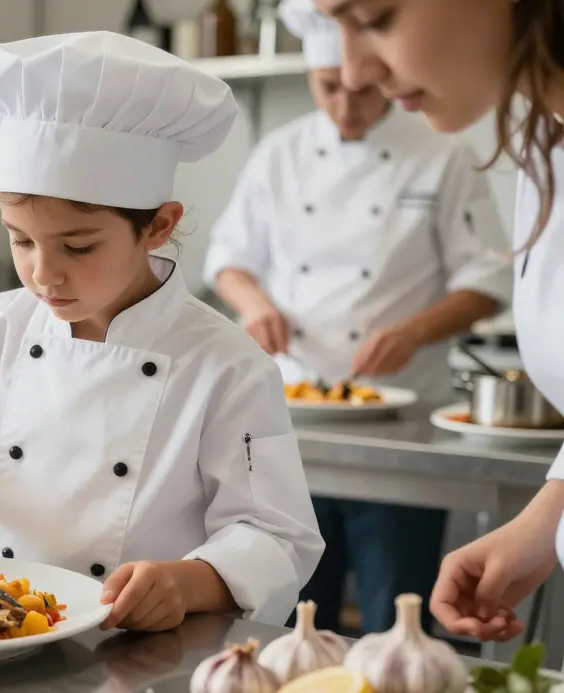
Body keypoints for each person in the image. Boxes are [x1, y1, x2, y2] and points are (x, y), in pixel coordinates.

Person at [0, 31, 324, 631]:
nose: (44, 273)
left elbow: (277, 536)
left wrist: (187, 581)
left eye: (78, 246)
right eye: (21, 240)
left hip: (145, 649)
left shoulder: (227, 364)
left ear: (158, 226)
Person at [204, 0, 513, 636]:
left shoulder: (444, 151)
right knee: (288, 614)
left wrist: (415, 330)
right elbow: (227, 262)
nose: (346, 107)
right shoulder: (279, 154)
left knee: (396, 614)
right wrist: (255, 304)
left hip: (399, 428)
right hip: (288, 421)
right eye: (327, 89)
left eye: (361, 90)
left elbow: (487, 282)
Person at [308, 0, 564, 643]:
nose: (356, 72)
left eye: (375, 18)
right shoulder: (543, 142)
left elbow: (481, 284)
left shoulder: (454, 152)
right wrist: (541, 527)